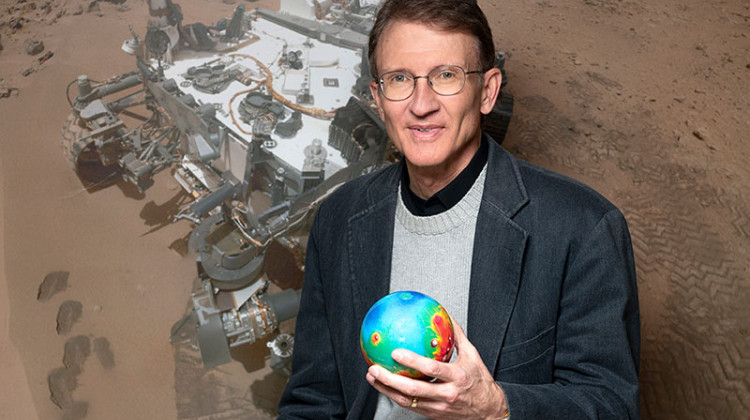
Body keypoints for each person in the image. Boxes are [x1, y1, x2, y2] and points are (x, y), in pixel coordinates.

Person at [278, 0, 640, 418]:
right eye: (399, 79)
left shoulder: (583, 228)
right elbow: (313, 402)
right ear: (377, 98)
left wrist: (496, 408)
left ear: (487, 92)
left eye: (446, 75)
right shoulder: (337, 219)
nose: (421, 104)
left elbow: (612, 406)